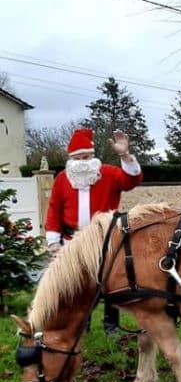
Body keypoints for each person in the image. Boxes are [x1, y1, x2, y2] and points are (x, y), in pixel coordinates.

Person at [45, 128, 143, 333]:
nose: (82, 161)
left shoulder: (107, 173)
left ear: (93, 155)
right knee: (77, 286)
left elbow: (131, 180)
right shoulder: (62, 179)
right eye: (78, 157)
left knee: (109, 282)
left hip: (103, 239)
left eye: (86, 156)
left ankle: (111, 326)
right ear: (71, 159)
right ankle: (82, 325)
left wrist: (124, 155)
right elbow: (54, 210)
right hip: (72, 241)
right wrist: (53, 243)